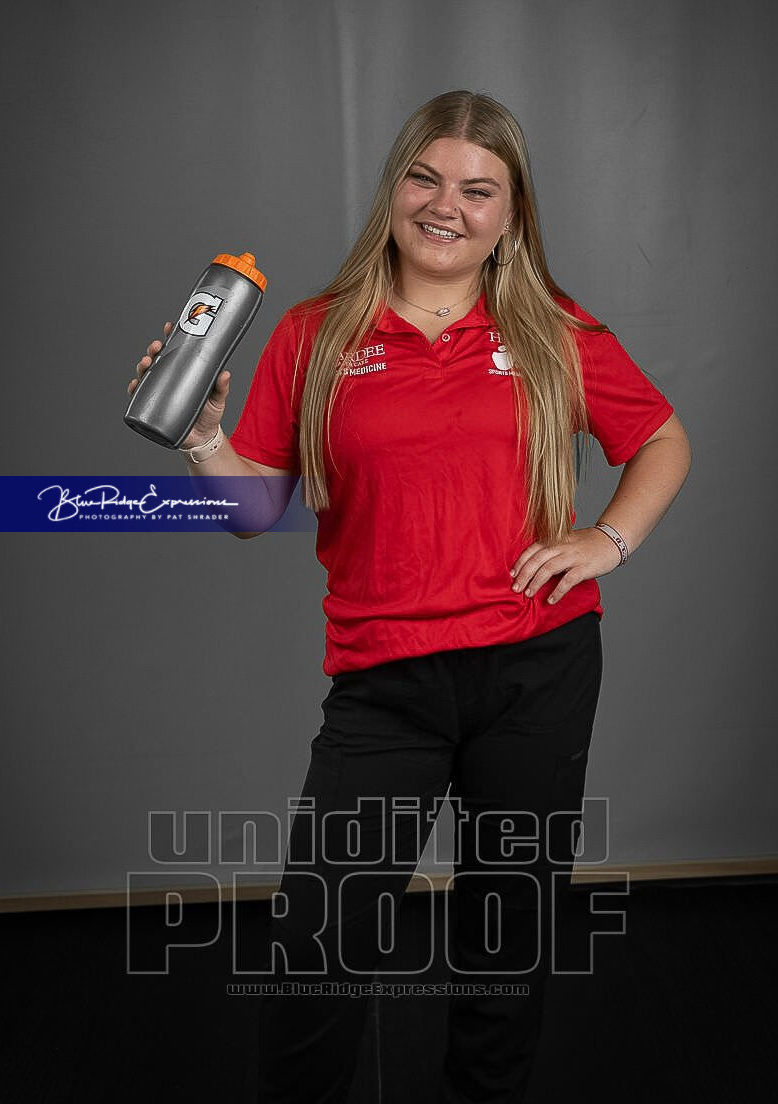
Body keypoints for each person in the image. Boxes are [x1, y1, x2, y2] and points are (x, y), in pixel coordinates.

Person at [128, 90, 692, 1103]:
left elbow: (659, 437)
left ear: (510, 215)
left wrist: (607, 540)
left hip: (538, 668)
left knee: (506, 935)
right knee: (319, 943)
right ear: (393, 188)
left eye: (477, 190)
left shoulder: (552, 328)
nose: (445, 206)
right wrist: (205, 438)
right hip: (384, 682)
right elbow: (254, 512)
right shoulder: (314, 333)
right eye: (425, 179)